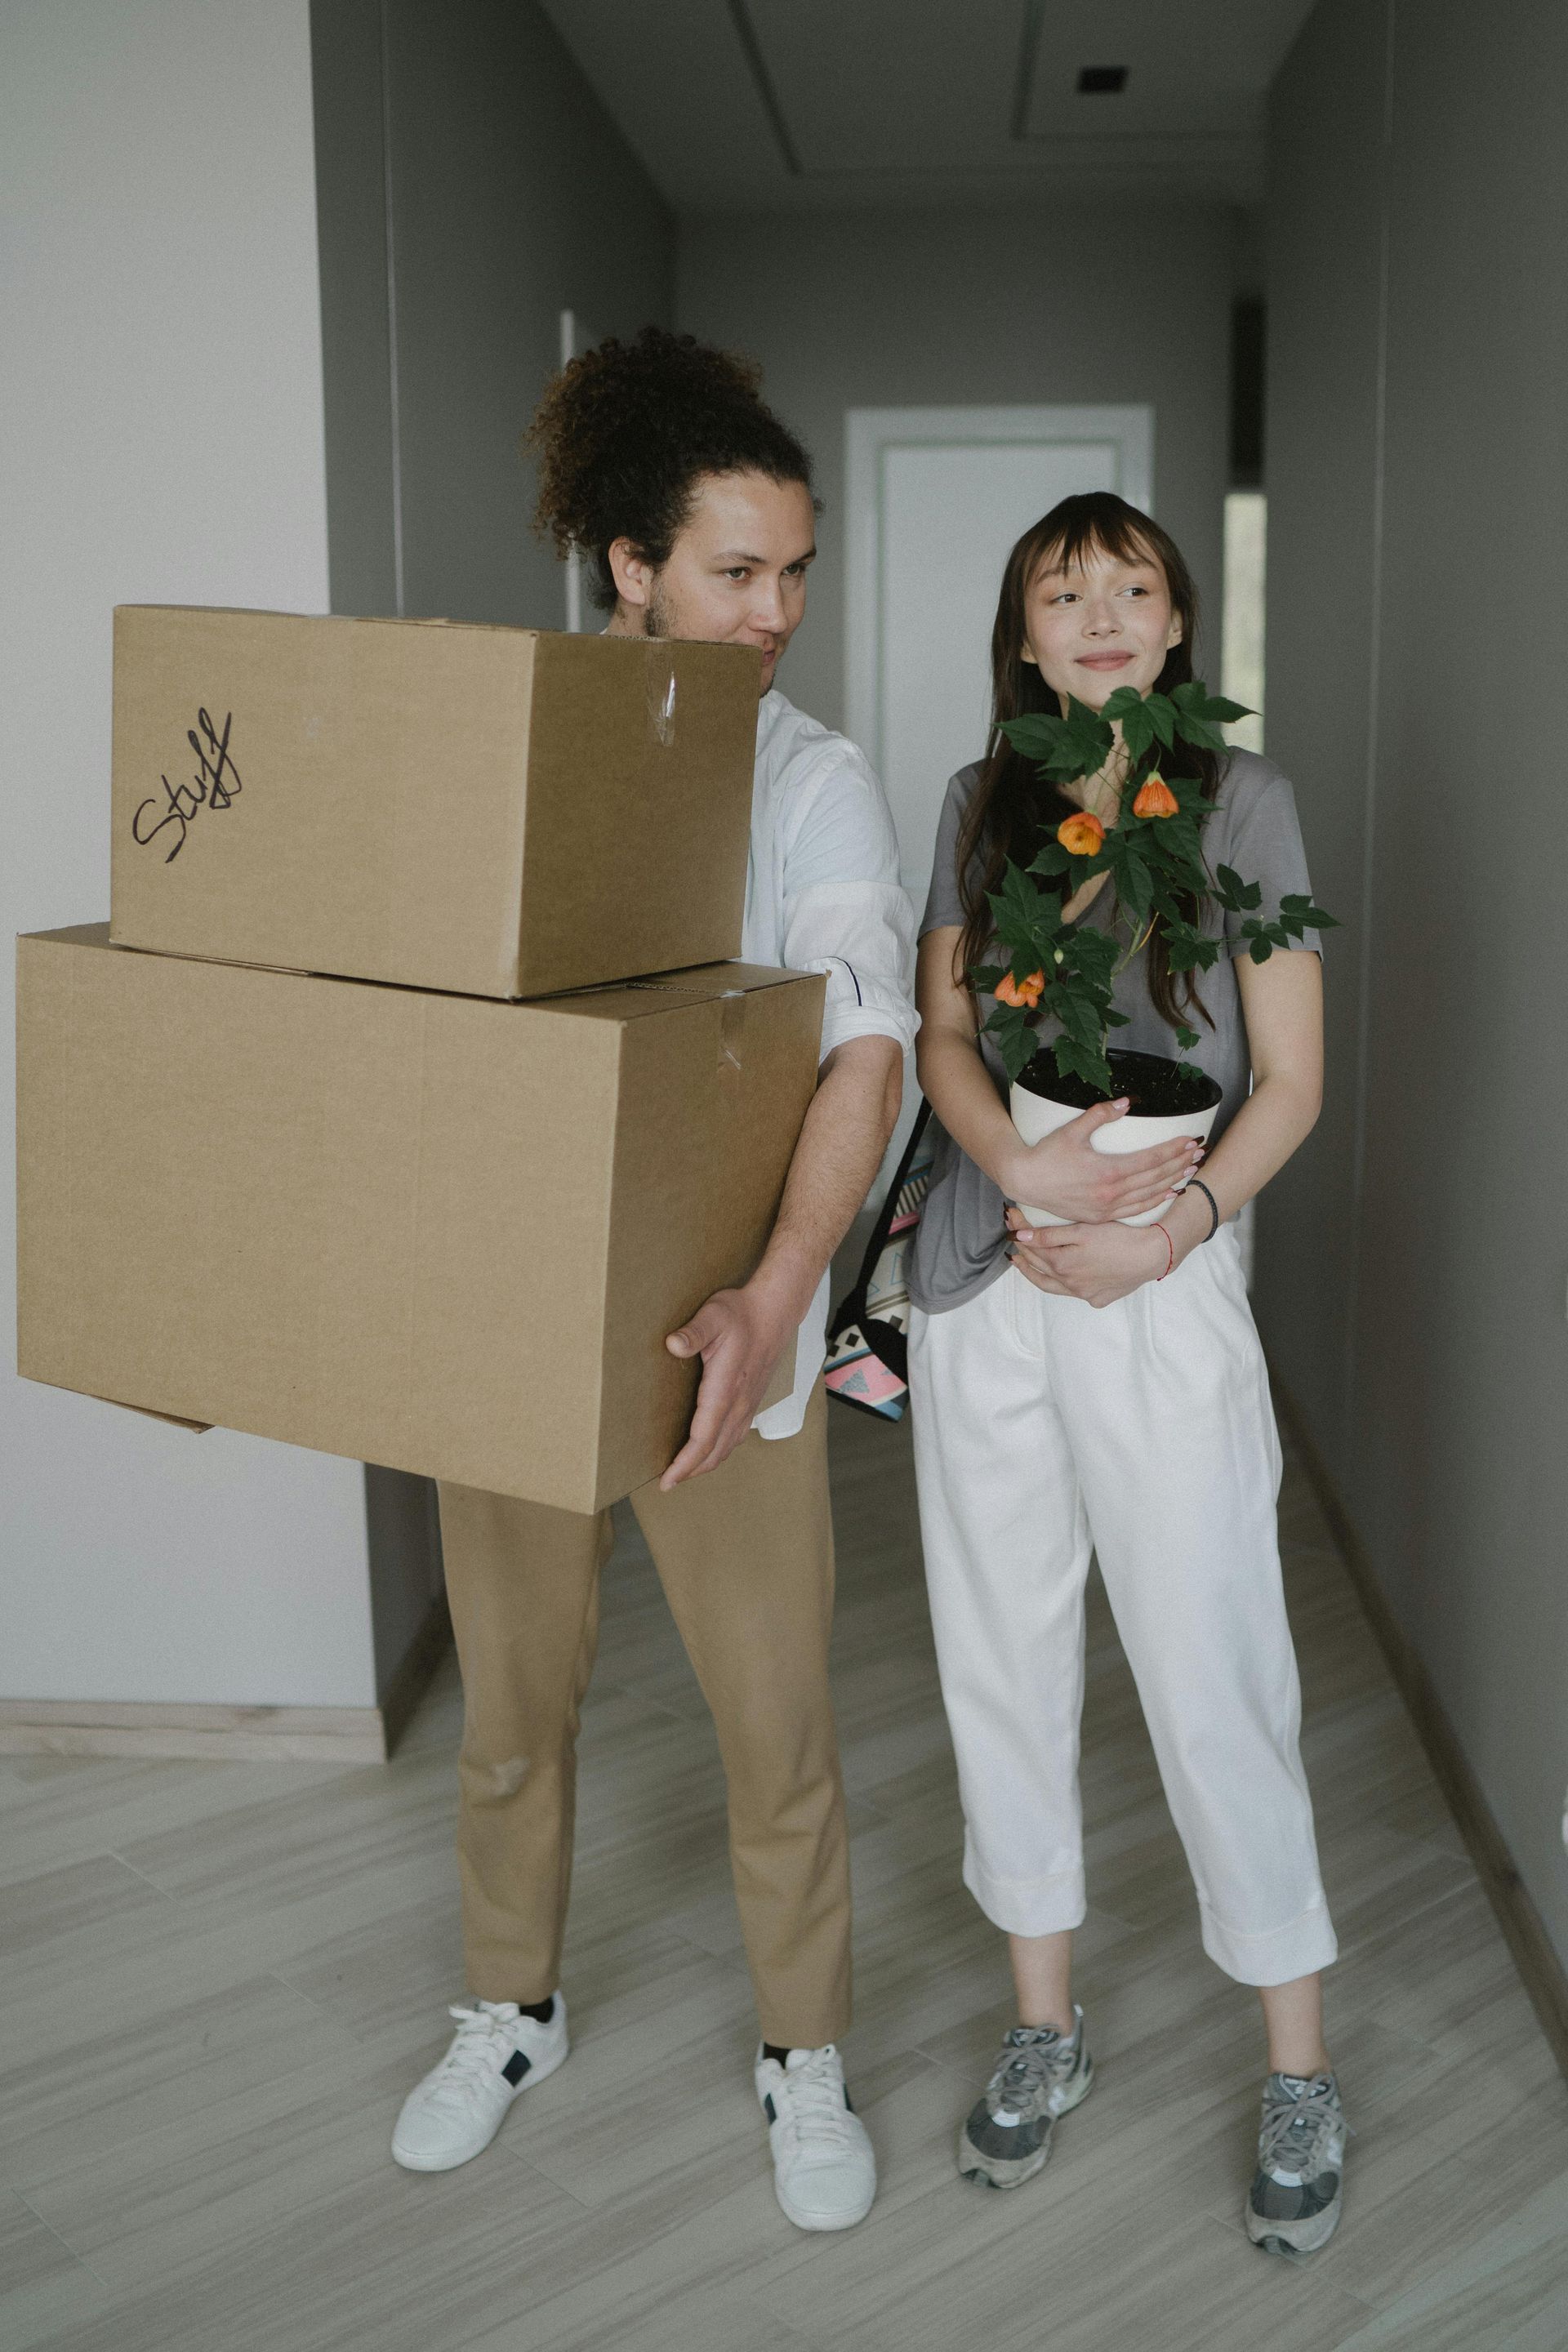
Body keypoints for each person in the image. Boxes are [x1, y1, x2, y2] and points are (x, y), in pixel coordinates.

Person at [390, 329, 915, 2235]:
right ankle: (507, 2009)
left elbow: (860, 1046)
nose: (777, 611)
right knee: (513, 1709)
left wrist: (782, 1291)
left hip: (731, 1322)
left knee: (773, 1725)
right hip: (512, 1317)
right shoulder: (501, 747)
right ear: (630, 564)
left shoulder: (812, 776)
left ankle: (807, 2054)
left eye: (795, 571)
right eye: (735, 570)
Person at [907, 491, 1347, 2256]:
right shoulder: (979, 800)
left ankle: (1296, 2060)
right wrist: (1017, 1176)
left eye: (1132, 588)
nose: (1098, 614)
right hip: (992, 1263)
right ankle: (1042, 2025)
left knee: (1212, 1657)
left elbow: (1293, 1081)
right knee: (998, 1658)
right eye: (1060, 591)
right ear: (1022, 634)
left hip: (1157, 1273)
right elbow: (944, 1033)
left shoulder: (1243, 802)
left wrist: (1166, 1236)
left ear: (1176, 629)